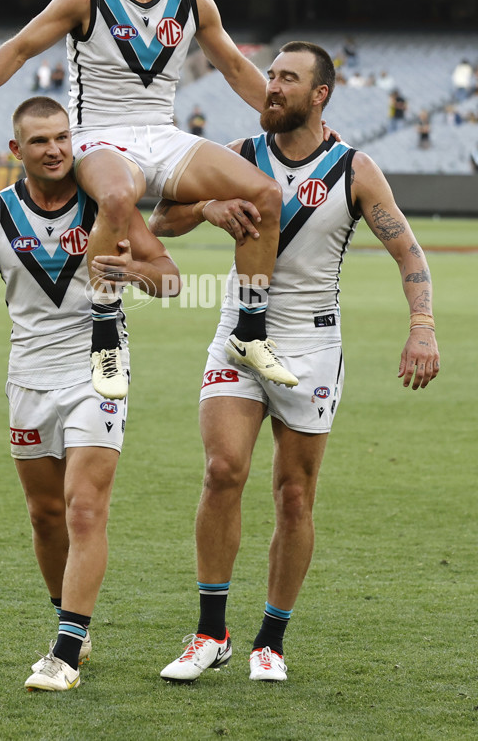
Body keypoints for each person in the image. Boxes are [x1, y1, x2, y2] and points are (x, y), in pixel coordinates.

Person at [0, 0, 301, 402]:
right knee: (114, 197)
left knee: (266, 195)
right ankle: (104, 333)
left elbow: (237, 67)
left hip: (163, 134)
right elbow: (20, 46)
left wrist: (290, 123)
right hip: (98, 135)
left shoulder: (193, 0)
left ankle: (249, 330)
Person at [149, 41, 440, 684]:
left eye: (288, 79)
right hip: (238, 331)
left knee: (294, 494)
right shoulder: (239, 155)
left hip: (312, 346)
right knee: (224, 469)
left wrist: (422, 328)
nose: (271, 87)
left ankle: (271, 640)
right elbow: (163, 217)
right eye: (270, 75)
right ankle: (210, 632)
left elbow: (409, 254)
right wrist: (208, 208)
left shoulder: (354, 169)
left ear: (320, 94)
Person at [0, 96, 180, 692]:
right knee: (45, 514)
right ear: (15, 151)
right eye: (40, 142)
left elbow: (172, 278)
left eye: (62, 138)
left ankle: (65, 650)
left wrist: (132, 273)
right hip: (27, 375)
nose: (54, 150)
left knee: (83, 507)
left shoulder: (106, 204)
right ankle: (69, 618)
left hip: (97, 368)